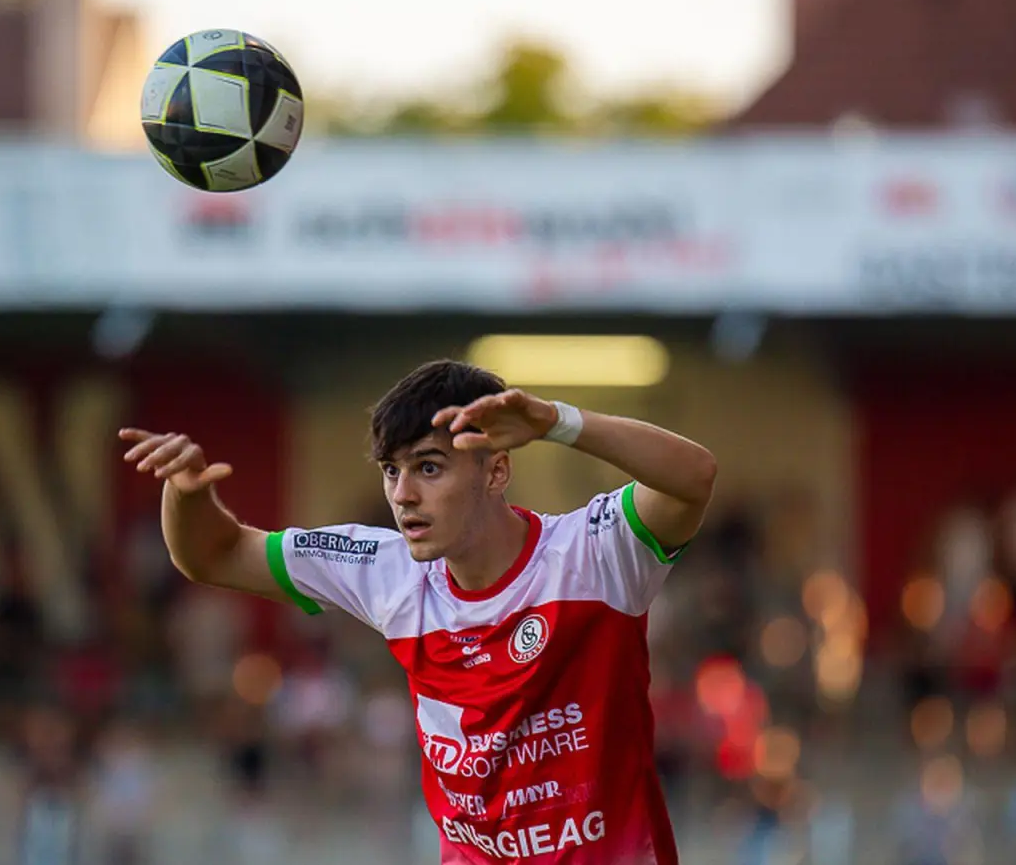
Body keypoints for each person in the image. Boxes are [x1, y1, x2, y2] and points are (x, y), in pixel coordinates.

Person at [118, 359, 718, 864]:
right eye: (392, 470)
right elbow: (213, 556)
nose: (403, 494)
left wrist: (558, 423)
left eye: (429, 467)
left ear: (496, 470)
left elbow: (694, 477)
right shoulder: (387, 571)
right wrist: (186, 492)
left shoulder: (592, 553)